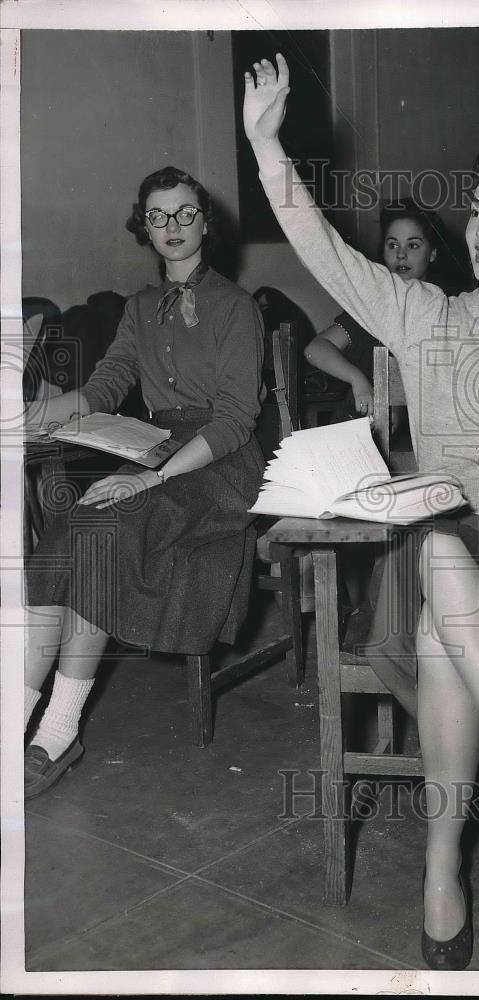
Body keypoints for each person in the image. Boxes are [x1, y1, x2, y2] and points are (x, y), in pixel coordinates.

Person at [243, 55, 479, 971]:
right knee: (443, 556)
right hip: (437, 555)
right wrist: (264, 145)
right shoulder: (419, 314)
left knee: (449, 616)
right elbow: (322, 247)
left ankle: (440, 870)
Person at [23, 166, 266, 798]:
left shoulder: (238, 308)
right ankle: (13, 722)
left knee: (105, 526)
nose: (173, 228)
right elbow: (106, 385)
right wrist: (35, 415)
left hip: (218, 462)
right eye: (159, 217)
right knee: (72, 527)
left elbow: (237, 420)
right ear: (145, 227)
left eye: (186, 213)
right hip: (157, 447)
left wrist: (150, 477)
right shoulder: (136, 308)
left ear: (205, 222)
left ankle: (57, 729)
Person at [304, 199, 450, 421]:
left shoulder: (447, 309)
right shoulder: (373, 303)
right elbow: (315, 349)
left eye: (412, 245)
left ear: (432, 253)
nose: (400, 255)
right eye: (392, 245)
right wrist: (357, 378)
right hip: (361, 426)